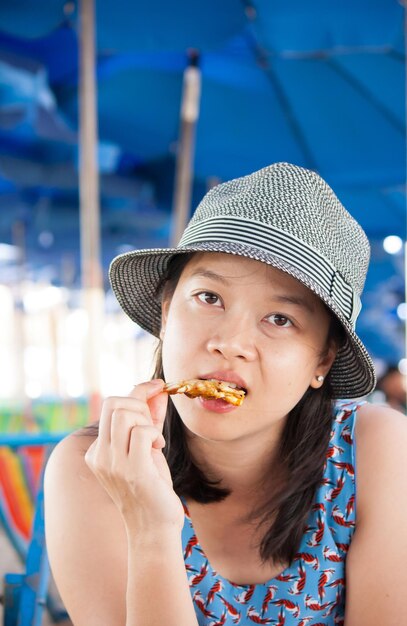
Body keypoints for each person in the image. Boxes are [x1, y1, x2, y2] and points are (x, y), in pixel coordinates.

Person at [44, 163, 407, 626]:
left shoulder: (378, 451)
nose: (230, 343)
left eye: (280, 319)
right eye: (209, 298)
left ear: (322, 361)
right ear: (166, 311)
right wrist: (151, 531)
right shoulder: (92, 469)